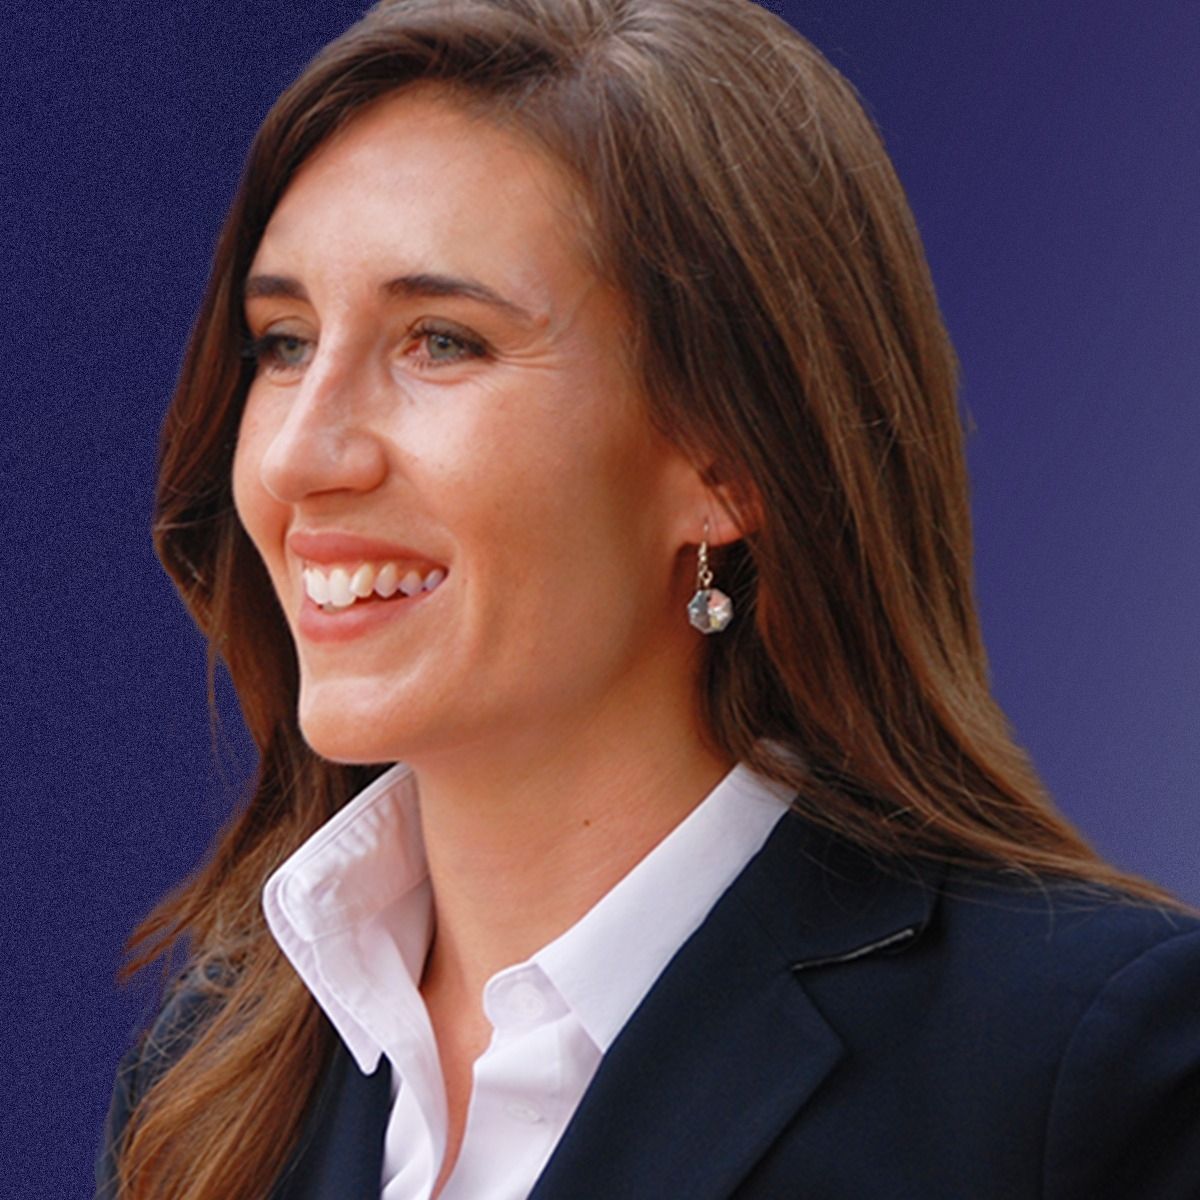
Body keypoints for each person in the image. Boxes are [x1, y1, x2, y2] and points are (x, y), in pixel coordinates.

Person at [97, 1, 1200, 1197]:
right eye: (284, 341)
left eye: (442, 341)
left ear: (724, 457)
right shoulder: (207, 1078)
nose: (301, 457)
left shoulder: (1079, 1077)